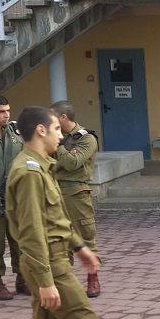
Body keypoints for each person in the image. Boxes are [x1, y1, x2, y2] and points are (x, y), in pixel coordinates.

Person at [7, 106, 101, 319]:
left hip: (53, 259)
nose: (62, 135)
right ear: (41, 131)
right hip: (47, 264)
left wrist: (81, 248)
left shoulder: (41, 167)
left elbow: (56, 217)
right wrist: (46, 282)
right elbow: (31, 233)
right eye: (56, 130)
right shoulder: (30, 173)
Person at [50, 100, 102, 298]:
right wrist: (63, 159)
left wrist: (61, 146)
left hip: (76, 194)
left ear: (63, 117)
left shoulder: (86, 139)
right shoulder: (52, 137)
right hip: (54, 192)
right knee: (59, 239)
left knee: (85, 236)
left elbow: (72, 163)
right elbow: (48, 165)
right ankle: (65, 281)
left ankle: (93, 278)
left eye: (54, 118)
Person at [0, 95, 24, 301]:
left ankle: (23, 278)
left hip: (15, 197)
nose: (6, 115)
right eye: (1, 112)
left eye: (8, 111)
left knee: (20, 241)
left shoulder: (15, 133)